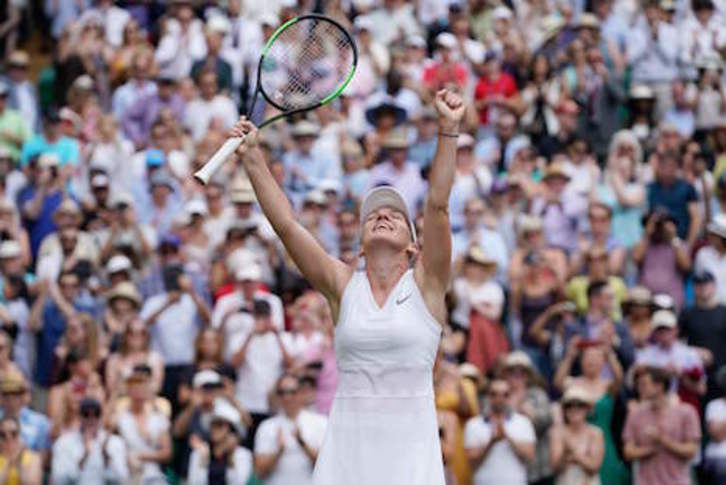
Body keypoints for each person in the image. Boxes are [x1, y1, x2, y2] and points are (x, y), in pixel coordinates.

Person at [232, 88, 465, 484]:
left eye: (395, 214)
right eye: (374, 215)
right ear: (359, 245)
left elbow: (438, 206)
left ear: (413, 245)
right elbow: (287, 227)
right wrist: (254, 158)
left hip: (411, 458)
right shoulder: (343, 285)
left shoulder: (428, 285)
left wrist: (448, 129)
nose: (383, 216)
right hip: (347, 456)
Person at [623, 365, 701, 485]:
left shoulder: (687, 412)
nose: (639, 388)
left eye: (644, 384)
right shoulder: (635, 414)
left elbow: (692, 450)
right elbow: (628, 452)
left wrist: (663, 441)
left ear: (659, 386)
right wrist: (650, 449)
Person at [254, 374, 327, 484]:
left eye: (292, 392)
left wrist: (302, 443)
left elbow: (327, 466)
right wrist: (279, 451)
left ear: (301, 392)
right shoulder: (266, 426)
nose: (287, 397)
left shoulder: (320, 422)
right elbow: (259, 472)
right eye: (282, 392)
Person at [463, 378, 536, 485]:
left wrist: (507, 437)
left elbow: (530, 456)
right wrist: (491, 442)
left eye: (505, 394)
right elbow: (471, 462)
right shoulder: (473, 424)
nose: (499, 398)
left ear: (510, 397)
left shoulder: (523, 422)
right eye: (494, 394)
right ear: (487, 396)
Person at [51, 398, 128, 484]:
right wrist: (84, 457)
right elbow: (60, 479)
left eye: (96, 414)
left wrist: (106, 457)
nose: (91, 419)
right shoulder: (63, 442)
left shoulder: (114, 442)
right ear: (79, 416)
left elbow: (121, 478)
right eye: (86, 414)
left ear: (101, 416)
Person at [187, 398, 253, 485]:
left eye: (220, 424)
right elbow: (194, 483)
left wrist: (230, 457)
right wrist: (204, 460)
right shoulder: (200, 451)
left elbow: (240, 483)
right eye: (212, 424)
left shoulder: (242, 454)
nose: (214, 428)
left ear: (231, 429)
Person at [549, 386, 604, 485]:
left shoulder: (596, 433)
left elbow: (594, 467)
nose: (574, 409)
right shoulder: (557, 432)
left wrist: (572, 453)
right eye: (569, 405)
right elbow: (555, 467)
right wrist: (578, 457)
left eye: (580, 405)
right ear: (564, 410)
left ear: (587, 408)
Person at [0, 416, 41, 485]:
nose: (8, 437)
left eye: (13, 433)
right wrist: (9, 463)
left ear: (20, 434)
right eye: (3, 435)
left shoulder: (33, 457)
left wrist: (19, 461)